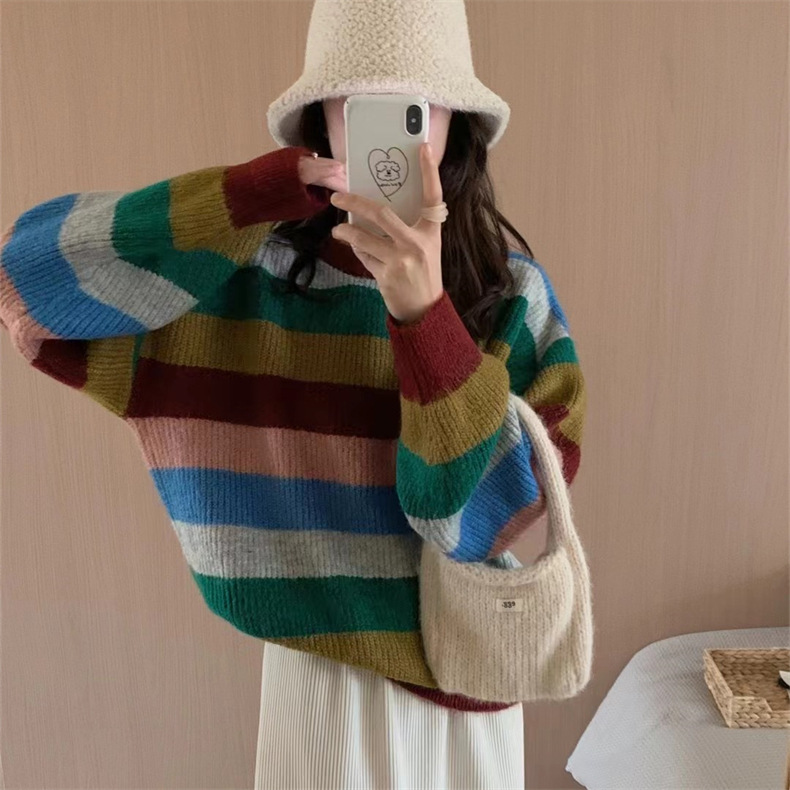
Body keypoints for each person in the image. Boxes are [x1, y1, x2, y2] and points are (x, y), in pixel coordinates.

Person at [0, 0, 586, 787]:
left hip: (464, 678)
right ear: (323, 118)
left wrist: (426, 319)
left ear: (456, 122)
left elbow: (474, 520)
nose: (392, 135)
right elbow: (26, 285)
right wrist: (254, 195)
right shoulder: (242, 284)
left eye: (417, 107)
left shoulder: (510, 297)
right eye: (361, 104)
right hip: (317, 680)